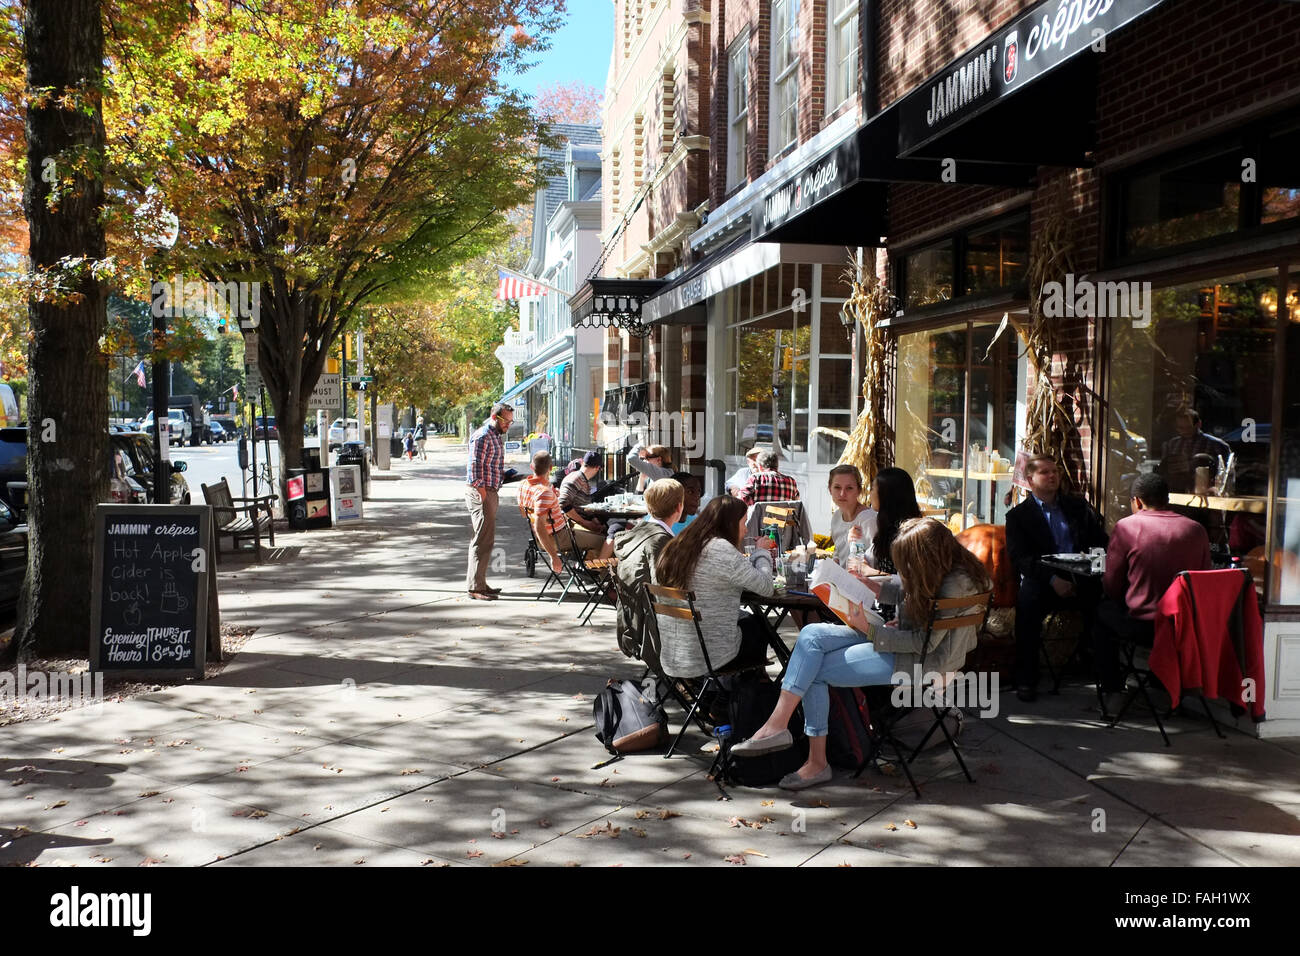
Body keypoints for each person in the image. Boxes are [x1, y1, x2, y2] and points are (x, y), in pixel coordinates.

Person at [731, 517, 992, 790]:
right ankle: (777, 725)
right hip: (907, 644)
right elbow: (913, 593)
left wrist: (869, 627)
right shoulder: (959, 569)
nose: (908, 568)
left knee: (813, 672)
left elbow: (921, 642)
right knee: (811, 636)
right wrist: (875, 587)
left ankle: (816, 761)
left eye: (909, 562)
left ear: (926, 555)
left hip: (918, 662)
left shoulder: (951, 587)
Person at [1094, 473, 1211, 712]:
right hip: (1185, 626)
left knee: (1100, 614)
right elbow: (1204, 579)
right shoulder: (1196, 530)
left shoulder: (1127, 527)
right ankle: (1161, 688)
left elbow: (1112, 585)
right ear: (1167, 499)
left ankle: (1113, 691)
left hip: (1145, 626)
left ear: (1137, 501)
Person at [1005, 453, 1109, 701]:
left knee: (1107, 609)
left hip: (1081, 576)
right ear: (1030, 480)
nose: (1053, 476)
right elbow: (1021, 559)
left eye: (1055, 472)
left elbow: (1100, 542)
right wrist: (1053, 580)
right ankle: (1027, 679)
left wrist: (1095, 571)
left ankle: (1105, 675)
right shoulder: (1018, 517)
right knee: (1027, 606)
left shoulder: (1077, 507)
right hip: (1043, 580)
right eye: (1045, 472)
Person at [651, 496, 775, 681]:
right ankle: (740, 694)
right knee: (758, 625)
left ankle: (725, 694)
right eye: (743, 522)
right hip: (710, 658)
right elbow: (766, 587)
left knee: (746, 619)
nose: (746, 529)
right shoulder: (721, 549)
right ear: (730, 524)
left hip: (673, 656)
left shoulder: (678, 544)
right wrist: (762, 552)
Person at [614, 478, 686, 665]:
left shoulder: (637, 533)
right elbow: (667, 594)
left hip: (634, 623)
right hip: (656, 632)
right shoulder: (660, 541)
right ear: (679, 507)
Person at [521, 451, 614, 571]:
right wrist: (553, 557)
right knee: (605, 542)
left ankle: (588, 570)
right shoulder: (545, 492)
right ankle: (594, 573)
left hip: (546, 535)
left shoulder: (524, 486)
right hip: (557, 537)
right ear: (550, 468)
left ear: (531, 466)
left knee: (603, 533)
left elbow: (525, 514)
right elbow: (542, 523)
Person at [465, 402, 514, 601]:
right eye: (506, 421)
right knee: (481, 539)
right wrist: (484, 496)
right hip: (481, 493)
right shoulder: (483, 436)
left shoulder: (495, 436)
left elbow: (489, 466)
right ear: (495, 417)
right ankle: (475, 587)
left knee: (487, 539)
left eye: (511, 421)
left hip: (490, 491)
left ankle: (480, 582)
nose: (508, 425)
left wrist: (507, 476)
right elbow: (474, 469)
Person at [1160, 408, 1230, 494]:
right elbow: (1165, 470)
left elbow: (1226, 473)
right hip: (1177, 492)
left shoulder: (1217, 444)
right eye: (1181, 428)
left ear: (1199, 424)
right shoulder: (1171, 444)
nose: (1185, 431)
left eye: (1189, 427)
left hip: (1206, 492)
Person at [826, 464, 878, 565]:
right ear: (830, 489)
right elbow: (839, 554)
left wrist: (854, 543)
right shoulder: (836, 517)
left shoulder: (868, 519)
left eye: (849, 488)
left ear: (859, 490)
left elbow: (870, 562)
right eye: (837, 487)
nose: (842, 494)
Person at [558, 451, 609, 542]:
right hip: (572, 526)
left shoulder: (583, 480)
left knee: (609, 531)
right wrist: (585, 523)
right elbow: (563, 503)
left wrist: (595, 521)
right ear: (597, 468)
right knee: (605, 541)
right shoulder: (576, 479)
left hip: (580, 522)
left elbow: (584, 507)